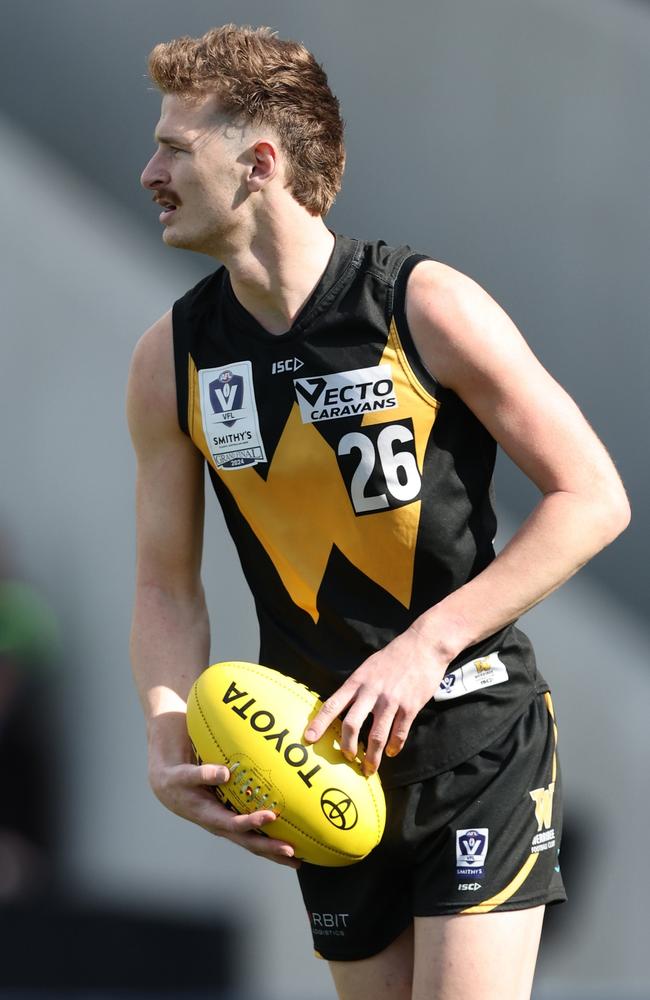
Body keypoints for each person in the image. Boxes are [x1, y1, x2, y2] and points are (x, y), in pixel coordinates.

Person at [127, 24, 630, 1000]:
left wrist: (424, 645)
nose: (149, 169)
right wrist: (164, 729)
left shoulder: (423, 306)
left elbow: (593, 496)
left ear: (258, 164)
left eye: (175, 149)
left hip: (473, 734)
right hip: (320, 768)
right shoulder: (171, 357)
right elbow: (161, 577)